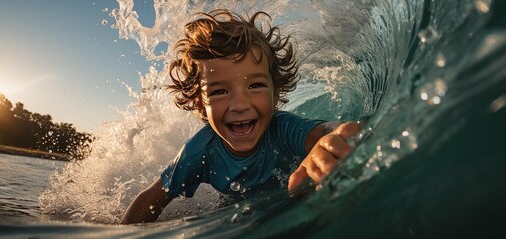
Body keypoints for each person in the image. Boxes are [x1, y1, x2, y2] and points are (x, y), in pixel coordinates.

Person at [120, 9, 360, 224]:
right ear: (201, 105)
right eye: (220, 91)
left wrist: (333, 140)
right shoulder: (199, 153)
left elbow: (327, 131)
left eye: (255, 86)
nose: (240, 104)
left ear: (275, 94)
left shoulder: (283, 129)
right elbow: (150, 198)